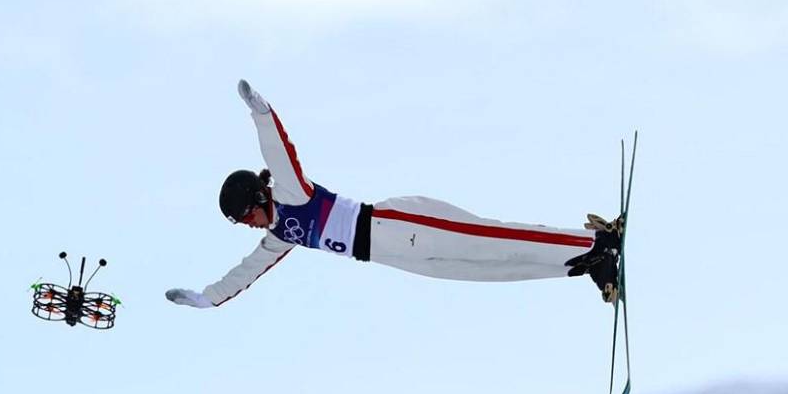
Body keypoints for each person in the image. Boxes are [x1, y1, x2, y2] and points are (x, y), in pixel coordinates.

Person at [165, 80, 621, 310]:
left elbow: (280, 151)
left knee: (490, 240)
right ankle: (582, 265)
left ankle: (594, 242)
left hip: (398, 225)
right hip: (394, 257)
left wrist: (260, 111)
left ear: (258, 198)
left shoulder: (289, 196)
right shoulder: (281, 235)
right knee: (484, 272)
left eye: (246, 216)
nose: (248, 227)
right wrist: (207, 299)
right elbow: (246, 272)